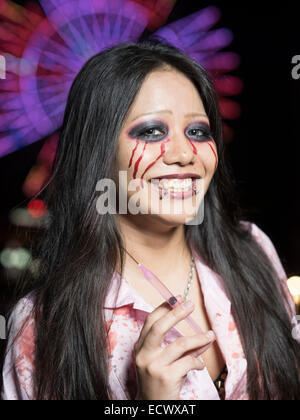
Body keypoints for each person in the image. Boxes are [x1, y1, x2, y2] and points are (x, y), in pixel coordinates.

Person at [1, 40, 300, 400]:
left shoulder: (252, 251)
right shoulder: (43, 327)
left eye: (198, 131)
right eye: (151, 131)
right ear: (98, 151)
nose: (184, 153)